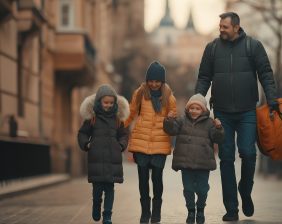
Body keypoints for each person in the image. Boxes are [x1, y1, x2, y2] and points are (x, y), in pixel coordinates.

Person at [194, 12, 279, 221]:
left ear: (236, 28)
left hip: (248, 111)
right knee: (226, 159)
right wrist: (196, 101)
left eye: (225, 27)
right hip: (221, 113)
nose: (221, 30)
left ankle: (245, 190)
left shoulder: (253, 46)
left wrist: (272, 99)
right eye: (220, 26)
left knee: (249, 153)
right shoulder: (212, 48)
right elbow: (204, 77)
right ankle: (231, 208)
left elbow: (266, 73)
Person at [124, 61, 177, 223]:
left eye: (157, 81)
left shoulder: (170, 98)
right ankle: (145, 212)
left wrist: (169, 120)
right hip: (141, 141)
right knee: (142, 178)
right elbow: (131, 114)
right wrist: (116, 127)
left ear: (163, 81)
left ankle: (156, 212)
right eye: (151, 81)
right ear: (147, 80)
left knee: (157, 178)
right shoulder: (139, 94)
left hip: (160, 143)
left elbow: (173, 125)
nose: (154, 84)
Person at [163, 94, 225, 224]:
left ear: (203, 110)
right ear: (188, 108)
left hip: (203, 163)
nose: (194, 111)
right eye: (192, 108)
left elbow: (217, 139)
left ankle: (200, 209)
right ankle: (191, 211)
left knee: (202, 189)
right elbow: (171, 130)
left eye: (198, 108)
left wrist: (219, 129)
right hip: (185, 163)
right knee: (188, 189)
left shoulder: (209, 123)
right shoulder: (180, 120)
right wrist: (168, 120)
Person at [77, 84, 130, 224]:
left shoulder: (118, 119)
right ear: (99, 101)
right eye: (106, 102)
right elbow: (82, 133)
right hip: (96, 159)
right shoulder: (92, 118)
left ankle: (107, 215)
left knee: (110, 189)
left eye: (111, 103)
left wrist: (121, 145)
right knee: (97, 189)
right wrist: (86, 144)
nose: (108, 105)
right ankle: (96, 205)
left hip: (113, 160)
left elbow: (124, 136)